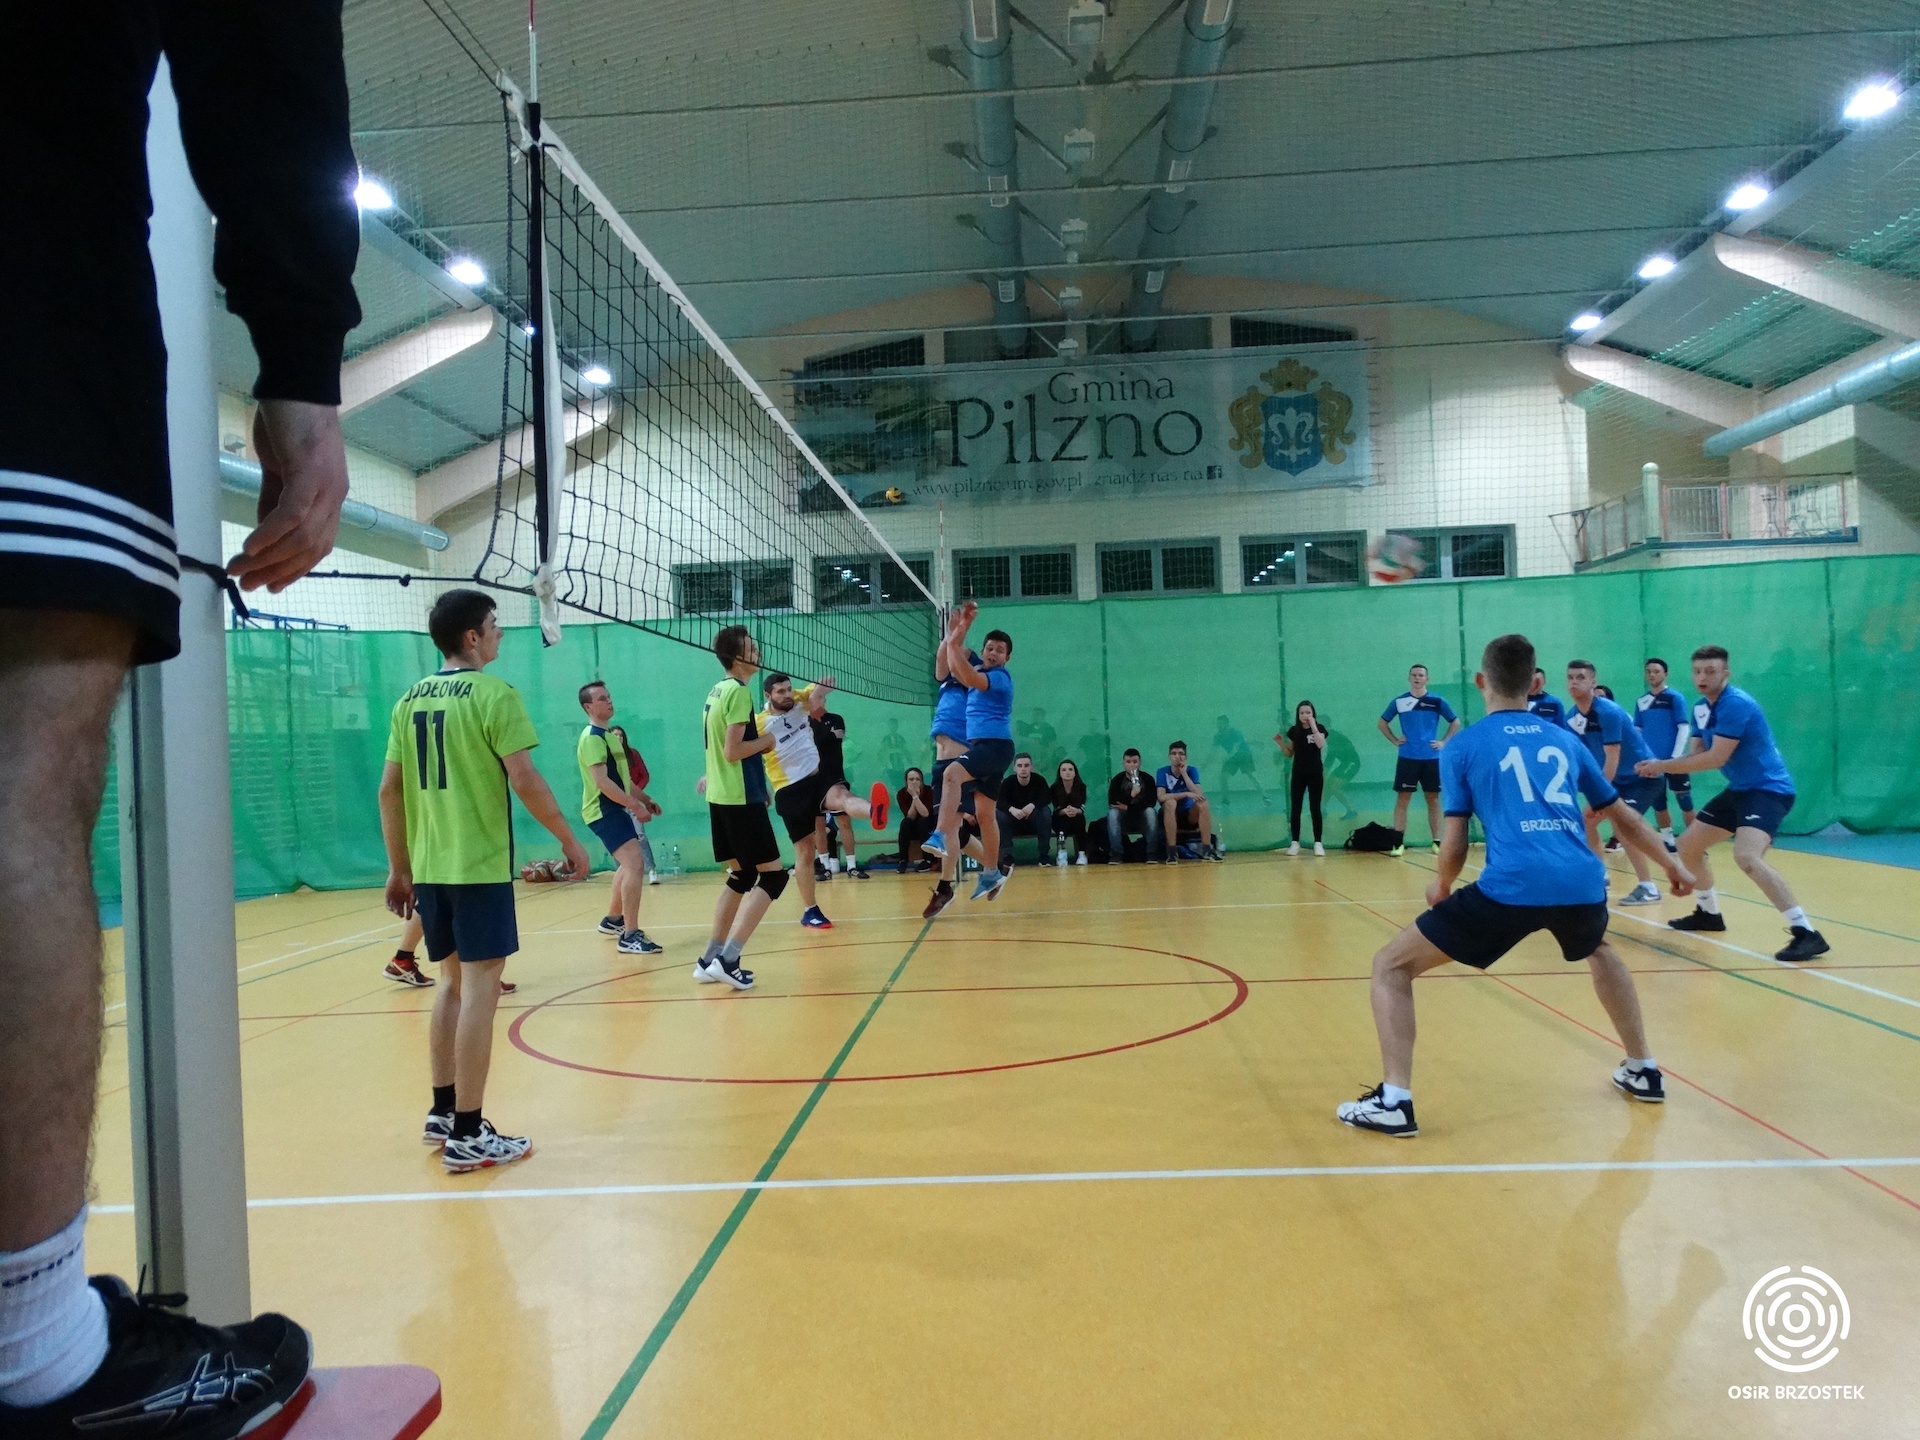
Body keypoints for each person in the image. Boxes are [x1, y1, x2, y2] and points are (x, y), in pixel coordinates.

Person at [0, 10, 366, 1427]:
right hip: (31, 214)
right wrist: (301, 359)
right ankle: (34, 1353)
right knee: (21, 759)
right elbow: (259, 39)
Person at [1337, 633, 1692, 1137]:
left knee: (1390, 966)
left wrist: (1441, 885)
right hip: (1581, 881)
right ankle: (1643, 1068)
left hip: (1512, 884)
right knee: (1599, 948)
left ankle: (1394, 1101)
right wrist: (1673, 864)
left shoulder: (1462, 745)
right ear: (1533, 683)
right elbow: (1625, 817)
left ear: (1481, 681)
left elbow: (1454, 841)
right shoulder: (1564, 739)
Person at [378, 590, 590, 1174]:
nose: (500, 634)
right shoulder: (495, 695)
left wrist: (399, 868)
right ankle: (469, 1133)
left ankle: (443, 1111)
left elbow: (389, 788)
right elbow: (524, 778)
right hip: (476, 866)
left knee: (450, 985)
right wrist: (569, 840)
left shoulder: (408, 699)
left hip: (431, 868)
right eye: (494, 625)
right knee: (481, 990)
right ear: (471, 637)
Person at [1636, 646, 1830, 962]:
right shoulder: (1701, 708)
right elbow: (1696, 754)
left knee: (1747, 857)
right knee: (1687, 846)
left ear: (1726, 673)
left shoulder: (1736, 704)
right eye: (1697, 671)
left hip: (1768, 790)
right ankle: (1708, 913)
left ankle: (1806, 932)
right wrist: (1660, 764)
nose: (1702, 677)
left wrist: (1661, 766)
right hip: (1740, 789)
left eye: (1710, 671)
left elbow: (1715, 758)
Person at [698, 625, 788, 988]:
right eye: (751, 647)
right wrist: (768, 740)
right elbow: (732, 751)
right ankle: (729, 959)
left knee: (742, 875)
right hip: (738, 799)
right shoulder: (739, 692)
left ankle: (709, 959)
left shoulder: (717, 690)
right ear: (737, 656)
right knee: (774, 876)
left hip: (722, 797)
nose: (758, 651)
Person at [760, 671, 884, 931]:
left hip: (817, 777)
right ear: (768, 695)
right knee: (805, 852)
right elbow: (740, 751)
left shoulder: (799, 700)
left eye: (788, 689)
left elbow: (823, 688)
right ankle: (810, 911)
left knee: (842, 797)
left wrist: (821, 689)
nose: (786, 694)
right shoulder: (759, 723)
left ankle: (875, 811)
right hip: (789, 789)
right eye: (780, 691)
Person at [924, 603, 1015, 913]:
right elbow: (946, 664)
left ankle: (945, 877)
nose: (992, 653)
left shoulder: (989, 677)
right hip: (973, 751)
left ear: (1006, 656)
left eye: (998, 650)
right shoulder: (962, 677)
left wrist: (958, 634)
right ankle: (992, 871)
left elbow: (961, 666)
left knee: (953, 817)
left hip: (980, 750)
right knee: (983, 816)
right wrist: (953, 634)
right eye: (989, 648)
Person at [1564, 662, 1662, 905]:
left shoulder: (1608, 712)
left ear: (1593, 682)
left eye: (1581, 677)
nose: (1574, 681)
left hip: (1643, 777)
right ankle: (1600, 876)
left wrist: (1598, 796)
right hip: (1615, 781)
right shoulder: (1572, 718)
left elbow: (1612, 759)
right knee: (1587, 820)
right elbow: (1581, 759)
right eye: (1570, 677)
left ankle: (1648, 887)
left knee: (1622, 825)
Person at [577, 682, 663, 955]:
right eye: (602, 699)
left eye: (609, 696)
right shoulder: (592, 738)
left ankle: (614, 919)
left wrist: (645, 799)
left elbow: (622, 780)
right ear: (588, 707)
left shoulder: (609, 737)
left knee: (628, 865)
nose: (609, 701)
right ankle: (630, 935)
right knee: (635, 864)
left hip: (614, 809)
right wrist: (635, 807)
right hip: (603, 811)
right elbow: (602, 783)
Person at [1377, 664, 1460, 856]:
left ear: (1427, 679)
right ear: (1409, 678)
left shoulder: (1437, 701)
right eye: (1414, 675)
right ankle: (1398, 843)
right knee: (1403, 798)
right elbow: (1382, 723)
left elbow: (1455, 721)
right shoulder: (1400, 701)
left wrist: (1443, 742)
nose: (1417, 678)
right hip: (1407, 758)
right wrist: (1395, 740)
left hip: (1431, 758)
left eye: (1421, 675)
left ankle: (1437, 842)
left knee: (1433, 799)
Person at [1634, 657, 1695, 850]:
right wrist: (1642, 756)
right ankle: (1668, 840)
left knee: (1685, 801)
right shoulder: (1641, 701)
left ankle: (1695, 842)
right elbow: (1638, 730)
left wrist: (1675, 757)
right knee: (1659, 803)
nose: (1652, 675)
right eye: (1648, 671)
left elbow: (1683, 727)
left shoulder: (1674, 698)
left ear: (1665, 674)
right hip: (1652, 762)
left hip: (1675, 761)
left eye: (1656, 671)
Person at [810, 706, 868, 879]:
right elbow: (813, 743)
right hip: (812, 778)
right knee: (818, 824)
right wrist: (827, 737)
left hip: (834, 776)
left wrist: (820, 739)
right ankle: (825, 866)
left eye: (820, 697)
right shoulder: (804, 722)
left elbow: (833, 740)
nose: (818, 700)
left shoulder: (835, 718)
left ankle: (852, 866)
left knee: (843, 821)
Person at [607, 723, 662, 882]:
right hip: (615, 804)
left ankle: (651, 869)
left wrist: (638, 795)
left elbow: (643, 776)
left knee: (640, 836)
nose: (619, 738)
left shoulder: (632, 754)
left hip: (633, 802)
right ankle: (621, 872)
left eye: (621, 735)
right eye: (615, 735)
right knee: (618, 841)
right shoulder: (606, 758)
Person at [1278, 700, 1329, 856]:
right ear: (1298, 715)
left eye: (1308, 712)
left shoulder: (1320, 728)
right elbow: (1289, 753)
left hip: (1315, 773)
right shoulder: (1294, 731)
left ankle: (1318, 843)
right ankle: (1295, 842)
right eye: (1302, 713)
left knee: (1315, 807)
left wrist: (1313, 725)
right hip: (1299, 773)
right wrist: (1280, 743)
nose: (1305, 715)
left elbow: (1320, 744)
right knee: (1296, 807)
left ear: (1313, 713)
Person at [1157, 742, 1221, 862]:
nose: (1177, 757)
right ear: (1169, 756)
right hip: (1170, 814)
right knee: (1171, 803)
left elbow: (1199, 794)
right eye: (1174, 753)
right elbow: (1161, 797)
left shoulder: (1192, 770)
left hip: (1189, 816)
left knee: (1203, 803)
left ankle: (1207, 849)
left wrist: (1184, 774)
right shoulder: (1162, 772)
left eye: (1181, 754)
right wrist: (1185, 794)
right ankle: (1172, 852)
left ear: (1185, 757)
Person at [996, 753, 1054, 870]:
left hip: (1033, 823)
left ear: (1031, 767)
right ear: (1014, 768)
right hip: (1013, 823)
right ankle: (1007, 856)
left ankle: (1043, 855)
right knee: (1000, 815)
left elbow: (1047, 797)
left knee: (1045, 812)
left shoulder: (1039, 780)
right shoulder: (1008, 782)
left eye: (1026, 765)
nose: (1023, 769)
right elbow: (999, 802)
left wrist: (1032, 806)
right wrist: (1012, 810)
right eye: (1020, 765)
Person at [1107, 749, 1160, 862]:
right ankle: (1116, 853)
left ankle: (1152, 853)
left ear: (1140, 763)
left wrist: (1129, 808)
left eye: (1135, 762)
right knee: (1112, 813)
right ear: (1123, 763)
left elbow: (1151, 802)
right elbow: (1113, 802)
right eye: (1128, 762)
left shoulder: (1148, 779)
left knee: (1150, 812)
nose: (1132, 765)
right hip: (1124, 819)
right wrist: (1131, 795)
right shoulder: (1117, 780)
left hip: (1141, 817)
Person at [1051, 760, 1091, 865]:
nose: (1067, 772)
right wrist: (1064, 811)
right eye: (1064, 770)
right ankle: (1062, 853)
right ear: (1060, 773)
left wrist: (1075, 810)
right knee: (1062, 822)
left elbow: (1081, 806)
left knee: (1080, 819)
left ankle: (1082, 854)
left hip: (1076, 816)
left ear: (1075, 772)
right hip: (1060, 816)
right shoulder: (1054, 788)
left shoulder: (1081, 787)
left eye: (1070, 769)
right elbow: (1056, 808)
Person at [896, 768, 936, 870]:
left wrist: (915, 796)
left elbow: (925, 814)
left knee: (922, 822)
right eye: (911, 779)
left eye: (918, 779)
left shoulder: (929, 791)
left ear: (922, 781)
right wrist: (915, 797)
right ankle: (903, 860)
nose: (914, 782)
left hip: (928, 827)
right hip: (912, 829)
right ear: (906, 782)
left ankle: (927, 860)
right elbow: (910, 816)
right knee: (905, 823)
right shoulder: (901, 794)